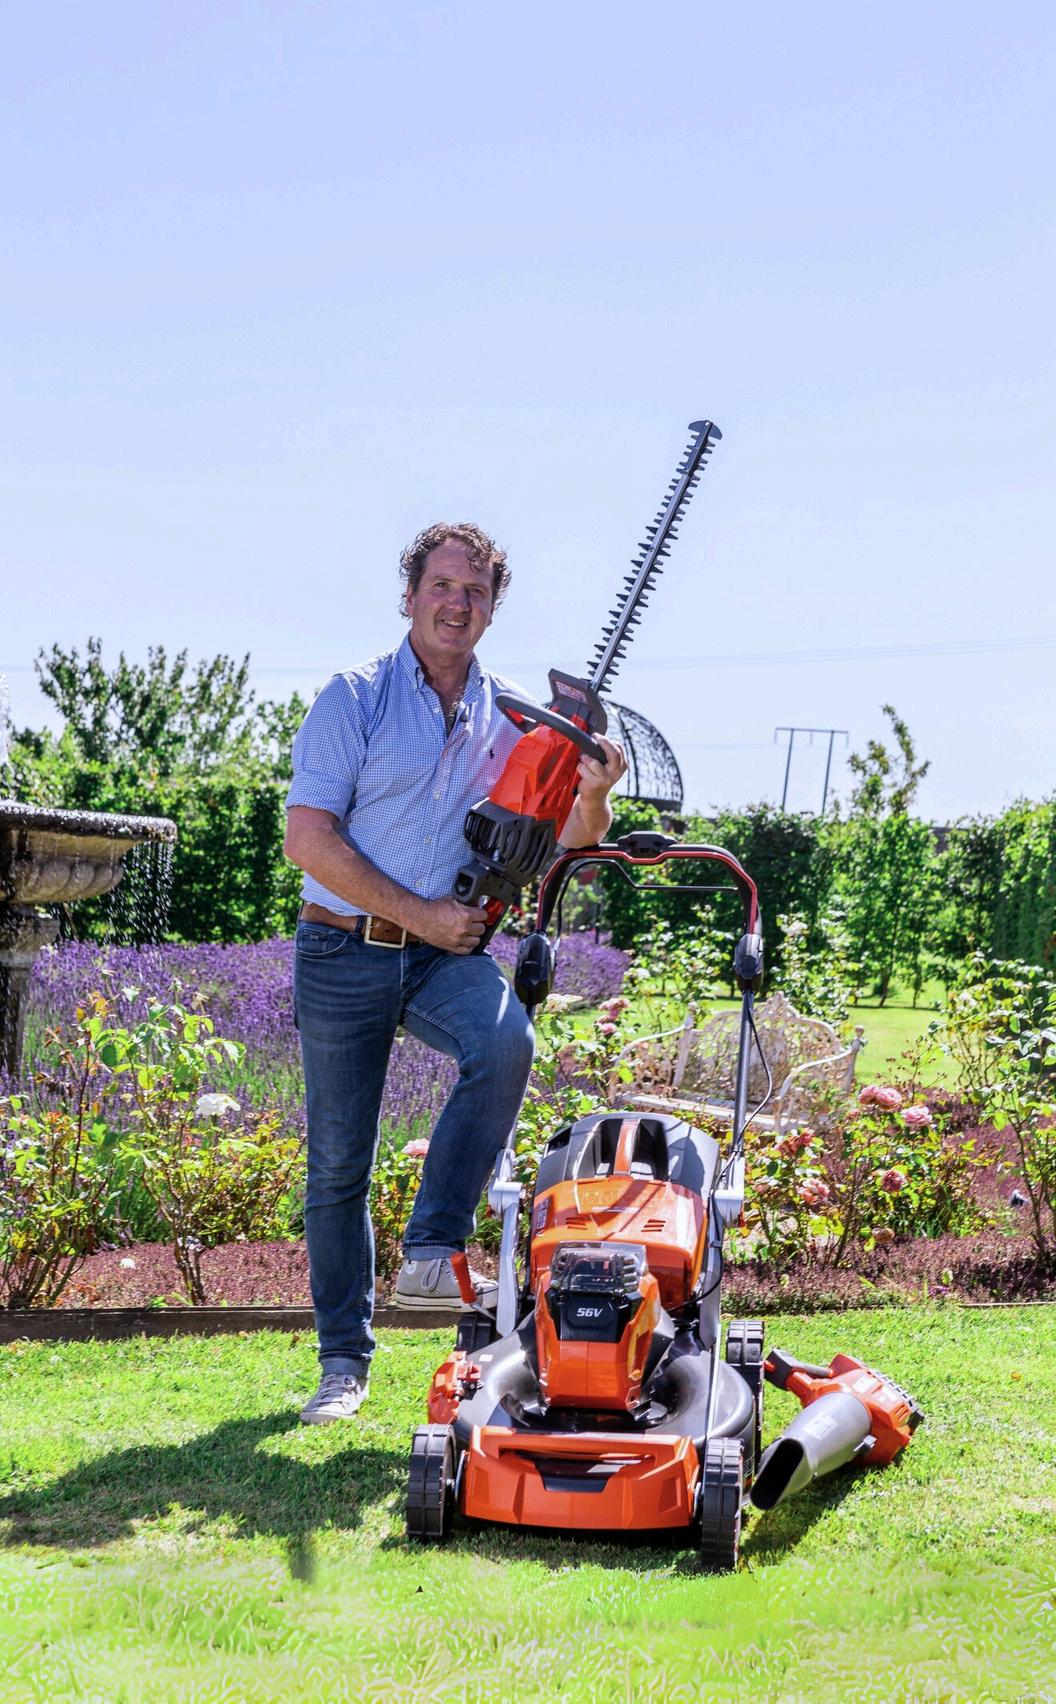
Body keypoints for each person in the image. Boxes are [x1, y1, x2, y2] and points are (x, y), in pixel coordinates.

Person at [284, 522, 626, 1423]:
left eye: (474, 592)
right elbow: (308, 838)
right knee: (339, 1167)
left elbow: (567, 839)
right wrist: (422, 913)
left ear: (492, 609)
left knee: (506, 1040)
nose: (456, 604)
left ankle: (433, 1247)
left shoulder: (513, 716)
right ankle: (343, 1364)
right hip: (341, 947)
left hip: (445, 956)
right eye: (441, 585)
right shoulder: (353, 697)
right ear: (409, 596)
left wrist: (594, 791)